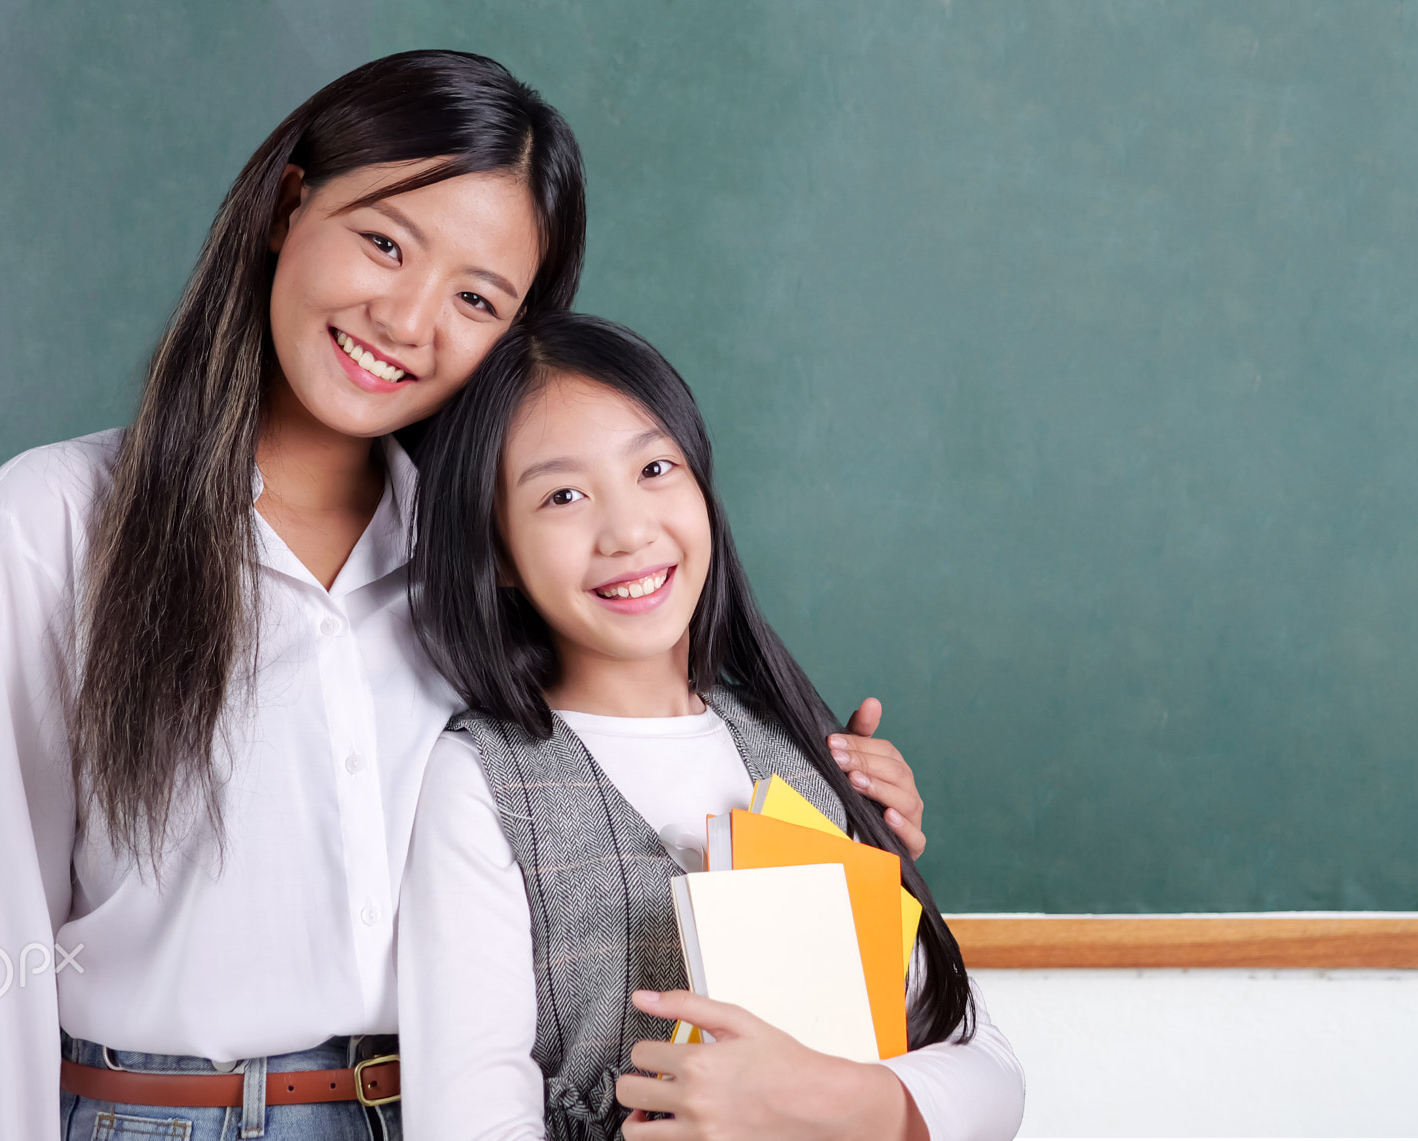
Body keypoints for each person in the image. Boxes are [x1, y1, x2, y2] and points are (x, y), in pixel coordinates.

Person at [0, 51, 930, 1140]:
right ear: (289, 205)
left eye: (476, 297)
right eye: (384, 242)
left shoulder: (505, 554)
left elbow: (629, 774)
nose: (406, 318)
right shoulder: (47, 527)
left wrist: (838, 804)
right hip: (171, 1115)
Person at [397, 311, 1025, 1141]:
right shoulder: (480, 781)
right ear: (500, 554)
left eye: (656, 467)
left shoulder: (805, 751)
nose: (627, 530)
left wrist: (817, 1099)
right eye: (562, 495)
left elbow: (984, 1073)